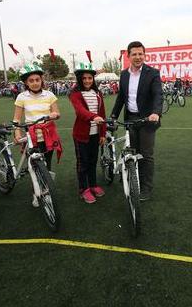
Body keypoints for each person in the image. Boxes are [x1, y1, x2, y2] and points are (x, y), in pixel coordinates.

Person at [111, 41, 162, 201]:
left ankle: (146, 188)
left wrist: (155, 112)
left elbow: (157, 95)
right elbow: (121, 97)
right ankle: (133, 178)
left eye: (141, 54)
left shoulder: (152, 73)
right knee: (132, 151)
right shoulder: (124, 74)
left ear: (144, 55)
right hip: (131, 118)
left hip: (147, 119)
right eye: (134, 54)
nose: (138, 57)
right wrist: (113, 116)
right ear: (128, 56)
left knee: (146, 155)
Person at [13, 64, 62, 206]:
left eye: (37, 80)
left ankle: (47, 190)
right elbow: (16, 119)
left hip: (48, 135)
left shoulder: (50, 95)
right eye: (31, 80)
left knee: (47, 165)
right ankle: (36, 192)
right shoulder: (22, 97)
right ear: (26, 83)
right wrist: (17, 133)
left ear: (41, 80)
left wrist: (54, 114)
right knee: (34, 166)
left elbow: (57, 113)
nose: (35, 83)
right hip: (31, 136)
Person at [69, 63, 107, 204]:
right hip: (81, 135)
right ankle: (83, 189)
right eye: (84, 78)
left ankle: (93, 185)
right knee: (82, 163)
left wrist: (102, 133)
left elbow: (102, 113)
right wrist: (93, 117)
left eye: (89, 78)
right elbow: (80, 111)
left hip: (95, 134)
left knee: (92, 161)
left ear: (93, 79)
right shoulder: (75, 94)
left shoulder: (98, 93)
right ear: (79, 79)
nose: (87, 81)